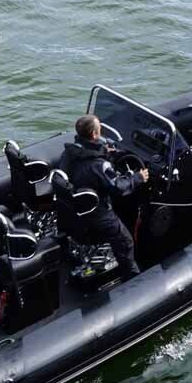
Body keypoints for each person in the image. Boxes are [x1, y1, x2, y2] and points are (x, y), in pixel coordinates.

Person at [58, 114, 149, 277]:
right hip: (98, 215)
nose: (101, 131)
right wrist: (138, 178)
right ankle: (133, 277)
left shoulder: (69, 154)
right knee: (125, 242)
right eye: (99, 129)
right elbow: (119, 188)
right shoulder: (100, 166)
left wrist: (105, 153)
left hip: (75, 211)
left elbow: (86, 168)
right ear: (94, 135)